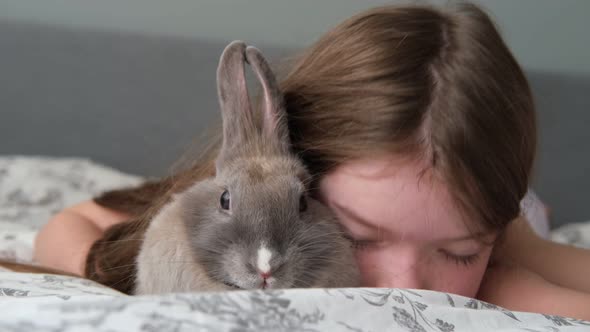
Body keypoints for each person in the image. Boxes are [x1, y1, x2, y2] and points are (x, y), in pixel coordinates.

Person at [33, 2, 590, 320]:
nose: (406, 285)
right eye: (358, 236)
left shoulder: (500, 260)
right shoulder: (255, 208)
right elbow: (69, 226)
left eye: (458, 253)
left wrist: (501, 271)